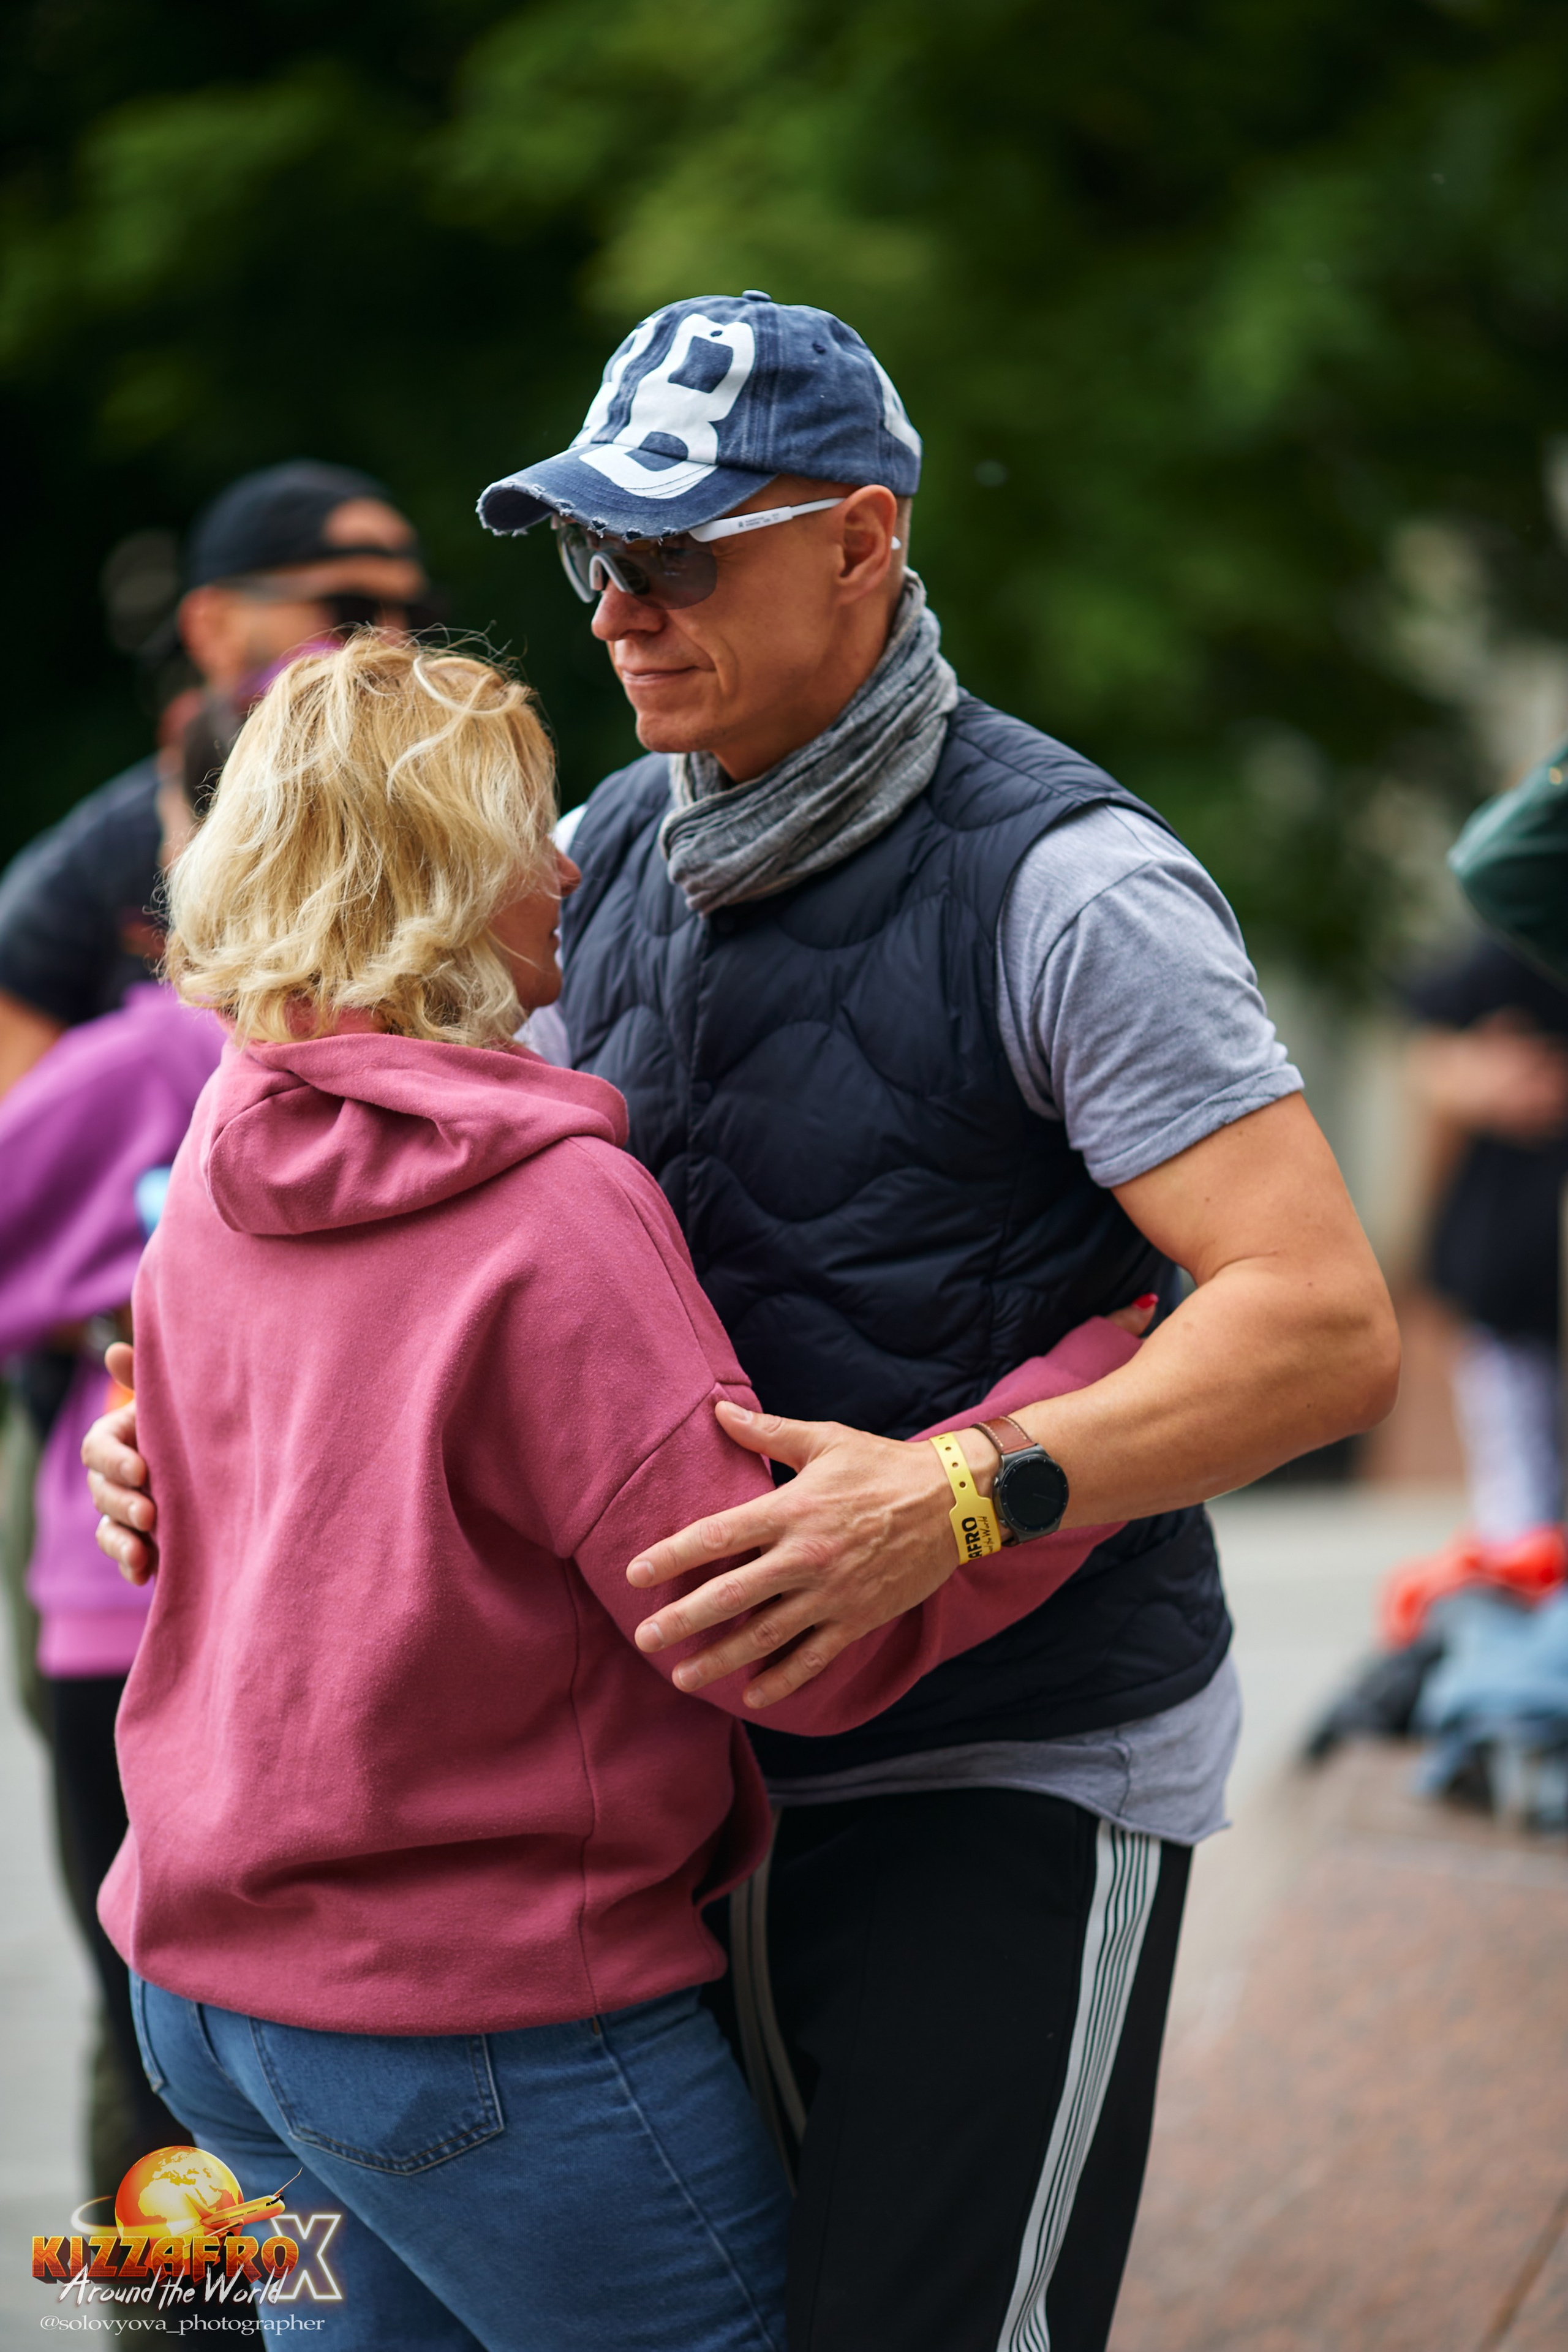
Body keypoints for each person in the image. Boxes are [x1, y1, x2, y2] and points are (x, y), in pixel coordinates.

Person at [92, 297, 1398, 2352]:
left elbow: (1320, 1325)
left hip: (1005, 1753)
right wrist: (188, 1433)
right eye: (591, 555)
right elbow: (408, 1257)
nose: (619, 610)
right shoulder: (591, 855)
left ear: (864, 541)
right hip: (689, 1791)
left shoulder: (1073, 884)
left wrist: (962, 1491)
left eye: (678, 554)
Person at [99, 633, 1153, 2351]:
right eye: (528, 831)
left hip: (207, 1998)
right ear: (446, 882)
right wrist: (1085, 1410)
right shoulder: (549, 1207)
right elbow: (766, 1625)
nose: (573, 869)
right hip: (476, 2018)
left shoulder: (223, 1152)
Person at [0, 458, 432, 1099]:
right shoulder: (95, 867)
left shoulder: (449, 826)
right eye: (353, 611)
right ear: (213, 626)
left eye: (418, 614)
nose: (393, 643)